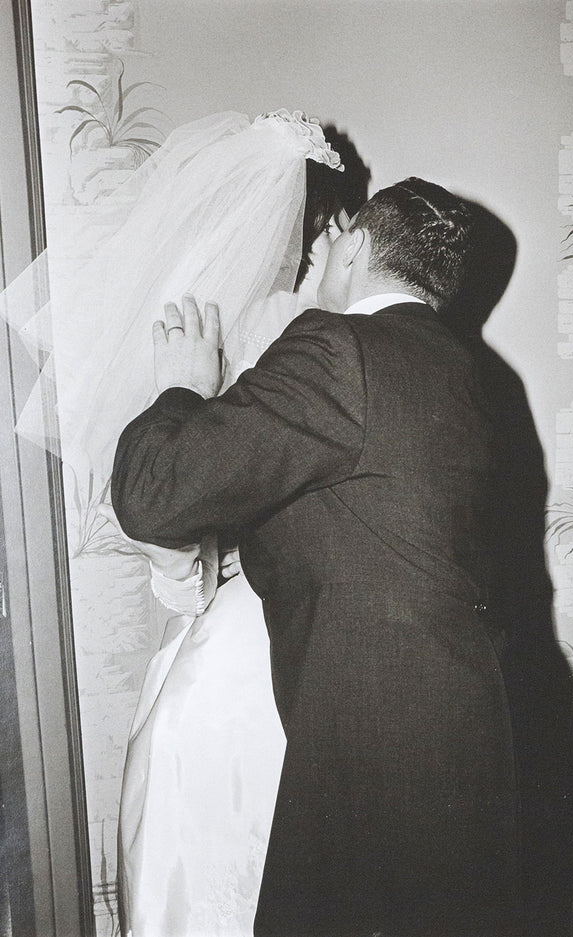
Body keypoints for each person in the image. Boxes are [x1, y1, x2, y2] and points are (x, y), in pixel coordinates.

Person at [111, 177, 573, 936]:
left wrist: (183, 392)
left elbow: (153, 494)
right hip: (471, 728)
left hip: (380, 751)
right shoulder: (475, 372)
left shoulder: (338, 347)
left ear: (352, 247)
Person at [4, 109, 356, 937]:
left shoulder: (206, 329)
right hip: (273, 635)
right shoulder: (308, 338)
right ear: (326, 226)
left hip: (210, 638)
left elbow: (165, 520)